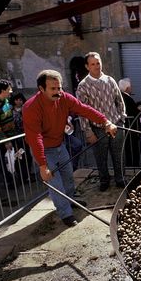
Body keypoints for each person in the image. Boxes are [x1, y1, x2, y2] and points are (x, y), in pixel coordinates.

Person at [22, 69, 118, 227]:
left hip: (60, 144)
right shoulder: (31, 107)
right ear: (41, 89)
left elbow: (83, 109)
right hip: (44, 150)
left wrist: (105, 121)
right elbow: (35, 137)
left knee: (67, 177)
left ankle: (70, 199)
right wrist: (43, 165)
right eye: (53, 89)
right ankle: (65, 213)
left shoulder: (64, 98)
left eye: (59, 88)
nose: (58, 92)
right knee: (56, 184)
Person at [76, 52, 126, 191]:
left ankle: (120, 178)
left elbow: (119, 101)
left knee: (118, 155)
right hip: (97, 128)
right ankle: (104, 181)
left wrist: (121, 119)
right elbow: (82, 110)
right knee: (101, 157)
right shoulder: (83, 86)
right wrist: (88, 131)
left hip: (115, 124)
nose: (97, 66)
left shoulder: (110, 80)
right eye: (93, 64)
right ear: (87, 66)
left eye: (98, 63)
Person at [0, 79, 28, 186]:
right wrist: (5, 140)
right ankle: (11, 182)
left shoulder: (6, 102)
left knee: (20, 156)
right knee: (7, 161)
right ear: (2, 90)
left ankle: (23, 178)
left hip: (13, 136)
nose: (11, 91)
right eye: (8, 89)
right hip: (4, 139)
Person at [118, 78, 141, 167]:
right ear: (127, 88)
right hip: (131, 129)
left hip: (126, 128)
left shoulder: (121, 97)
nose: (132, 88)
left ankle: (130, 165)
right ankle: (134, 166)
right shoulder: (127, 98)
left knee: (128, 149)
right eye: (130, 86)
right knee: (133, 149)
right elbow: (134, 112)